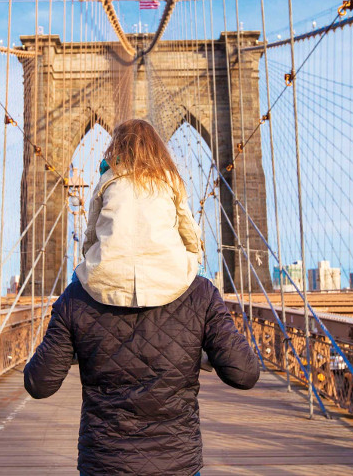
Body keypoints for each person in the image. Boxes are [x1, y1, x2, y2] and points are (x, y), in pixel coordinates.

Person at [24, 119, 260, 476]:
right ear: (173, 207)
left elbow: (39, 384)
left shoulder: (76, 298)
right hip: (177, 466)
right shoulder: (200, 296)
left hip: (104, 465)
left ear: (103, 206)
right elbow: (245, 373)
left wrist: (76, 347)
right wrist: (198, 350)